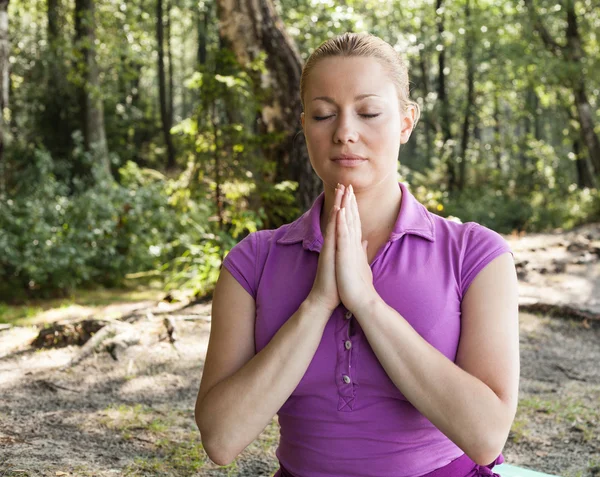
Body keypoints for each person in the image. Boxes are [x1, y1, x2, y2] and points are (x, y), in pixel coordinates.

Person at [194, 32, 520, 477]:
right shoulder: (252, 262)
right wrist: (317, 304)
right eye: (324, 114)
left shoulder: (476, 255)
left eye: (368, 112)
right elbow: (221, 439)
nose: (345, 132)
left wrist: (366, 302)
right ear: (304, 123)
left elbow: (486, 438)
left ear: (406, 122)